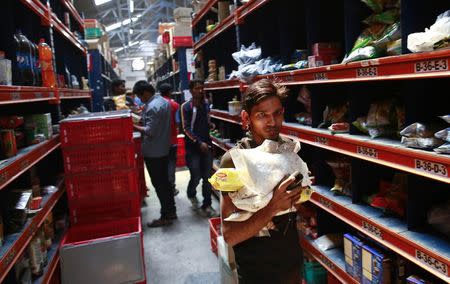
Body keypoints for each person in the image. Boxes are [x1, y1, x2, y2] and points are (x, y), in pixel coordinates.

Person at [220, 79, 304, 283]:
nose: (273, 122)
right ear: (246, 117)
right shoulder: (234, 161)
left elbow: (294, 213)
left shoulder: (288, 151)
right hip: (257, 273)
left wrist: (298, 197)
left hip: (292, 266)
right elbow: (230, 235)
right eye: (262, 115)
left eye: (277, 113)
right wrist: (272, 207)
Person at [132, 80, 176, 227]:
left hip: (154, 152)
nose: (140, 99)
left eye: (140, 96)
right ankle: (171, 211)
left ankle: (166, 216)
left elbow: (150, 131)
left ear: (145, 93)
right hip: (163, 148)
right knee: (165, 183)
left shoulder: (153, 106)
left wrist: (133, 125)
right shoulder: (162, 102)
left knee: (160, 185)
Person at [181, 79, 217, 217]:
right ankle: (191, 193)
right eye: (197, 88)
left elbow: (205, 121)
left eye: (202, 88)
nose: (200, 90)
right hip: (193, 148)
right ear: (190, 90)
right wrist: (198, 142)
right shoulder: (186, 106)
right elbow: (186, 128)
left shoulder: (206, 104)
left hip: (206, 146)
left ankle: (207, 205)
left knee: (207, 177)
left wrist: (210, 125)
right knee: (195, 175)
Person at [159, 83, 180, 196]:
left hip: (159, 142)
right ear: (170, 92)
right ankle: (171, 188)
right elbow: (177, 123)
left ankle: (164, 188)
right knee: (171, 164)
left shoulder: (155, 105)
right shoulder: (175, 105)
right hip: (172, 141)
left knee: (162, 165)